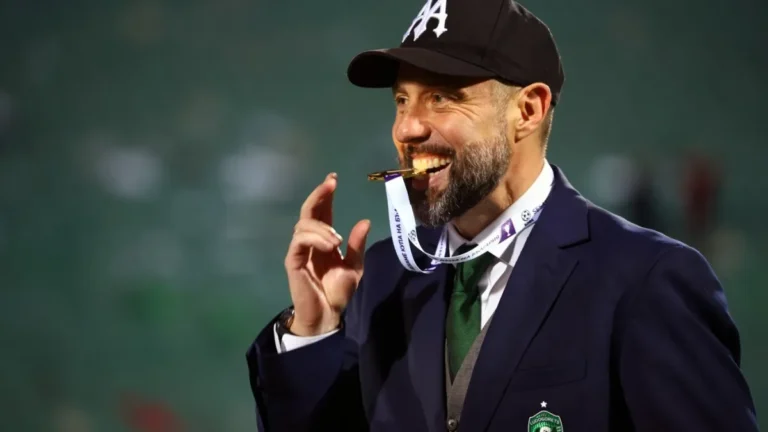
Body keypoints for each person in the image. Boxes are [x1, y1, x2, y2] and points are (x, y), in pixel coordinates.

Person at [245, 0, 759, 431]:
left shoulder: (645, 279)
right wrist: (313, 330)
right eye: (402, 100)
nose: (407, 129)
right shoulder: (380, 279)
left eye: (441, 97)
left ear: (527, 111)